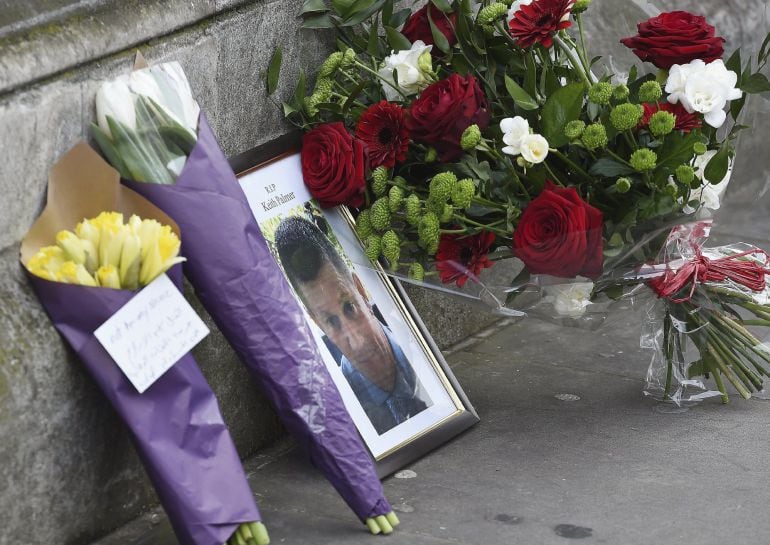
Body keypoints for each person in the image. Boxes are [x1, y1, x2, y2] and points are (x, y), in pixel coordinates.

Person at [274, 215, 431, 434]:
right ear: (316, 322)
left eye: (349, 307)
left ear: (361, 290)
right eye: (331, 321)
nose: (356, 342)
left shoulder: (423, 350)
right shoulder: (340, 415)